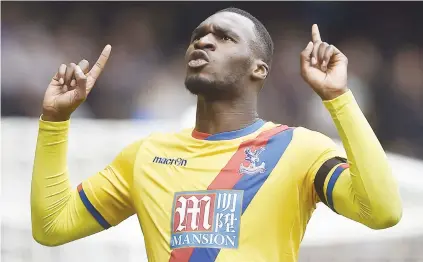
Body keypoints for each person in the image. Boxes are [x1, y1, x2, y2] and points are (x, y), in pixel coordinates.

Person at [31, 7, 402, 262]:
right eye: (199, 36)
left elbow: (382, 212)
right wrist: (55, 120)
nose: (203, 42)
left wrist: (338, 97)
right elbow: (52, 226)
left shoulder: (299, 149)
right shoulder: (145, 155)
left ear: (259, 69)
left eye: (224, 38)